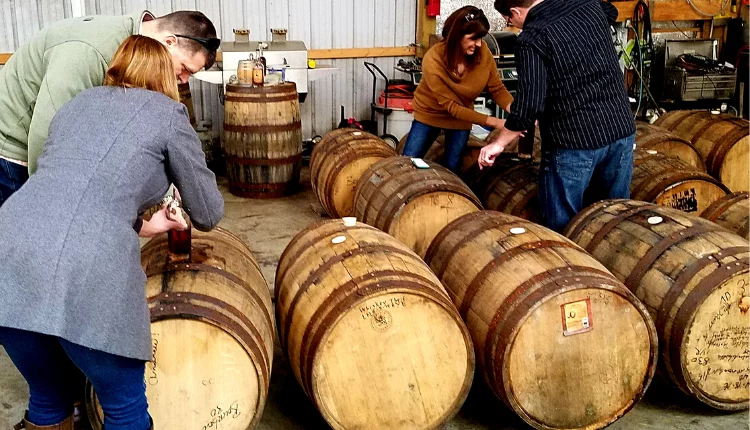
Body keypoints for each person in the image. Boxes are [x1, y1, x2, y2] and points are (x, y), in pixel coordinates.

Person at [0, 35, 224, 430]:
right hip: (89, 271)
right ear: (167, 75)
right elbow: (207, 213)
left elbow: (77, 188)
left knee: (49, 395)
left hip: (9, 253)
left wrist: (140, 223)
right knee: (123, 405)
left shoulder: (76, 106)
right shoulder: (168, 114)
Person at [0, 9, 219, 206]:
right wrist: (52, 206)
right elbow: (46, 133)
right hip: (15, 149)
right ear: (169, 42)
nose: (183, 79)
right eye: (185, 69)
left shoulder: (139, 55)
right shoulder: (91, 52)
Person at [479, 0, 635, 232]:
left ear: (515, 12)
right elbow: (611, 11)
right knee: (615, 222)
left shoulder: (531, 39)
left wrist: (498, 144)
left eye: (508, 20)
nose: (510, 24)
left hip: (575, 141)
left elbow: (530, 105)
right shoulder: (588, 6)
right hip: (619, 129)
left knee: (564, 227)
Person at [402, 5, 513, 173]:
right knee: (408, 162)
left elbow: (496, 88)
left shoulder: (483, 54)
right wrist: (497, 122)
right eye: (474, 38)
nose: (479, 44)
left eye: (481, 38)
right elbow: (452, 107)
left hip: (462, 118)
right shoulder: (433, 60)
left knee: (453, 168)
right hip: (429, 114)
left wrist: (515, 109)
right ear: (457, 36)